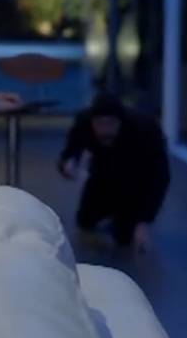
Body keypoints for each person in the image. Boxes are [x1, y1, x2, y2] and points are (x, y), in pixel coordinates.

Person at [58, 92, 170, 251]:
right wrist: (68, 164)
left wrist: (144, 220)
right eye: (99, 124)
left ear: (120, 121)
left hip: (135, 180)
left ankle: (123, 220)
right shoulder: (83, 122)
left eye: (110, 124)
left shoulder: (146, 128)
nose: (105, 130)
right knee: (84, 220)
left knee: (124, 237)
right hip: (101, 175)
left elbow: (160, 177)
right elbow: (71, 150)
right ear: (92, 121)